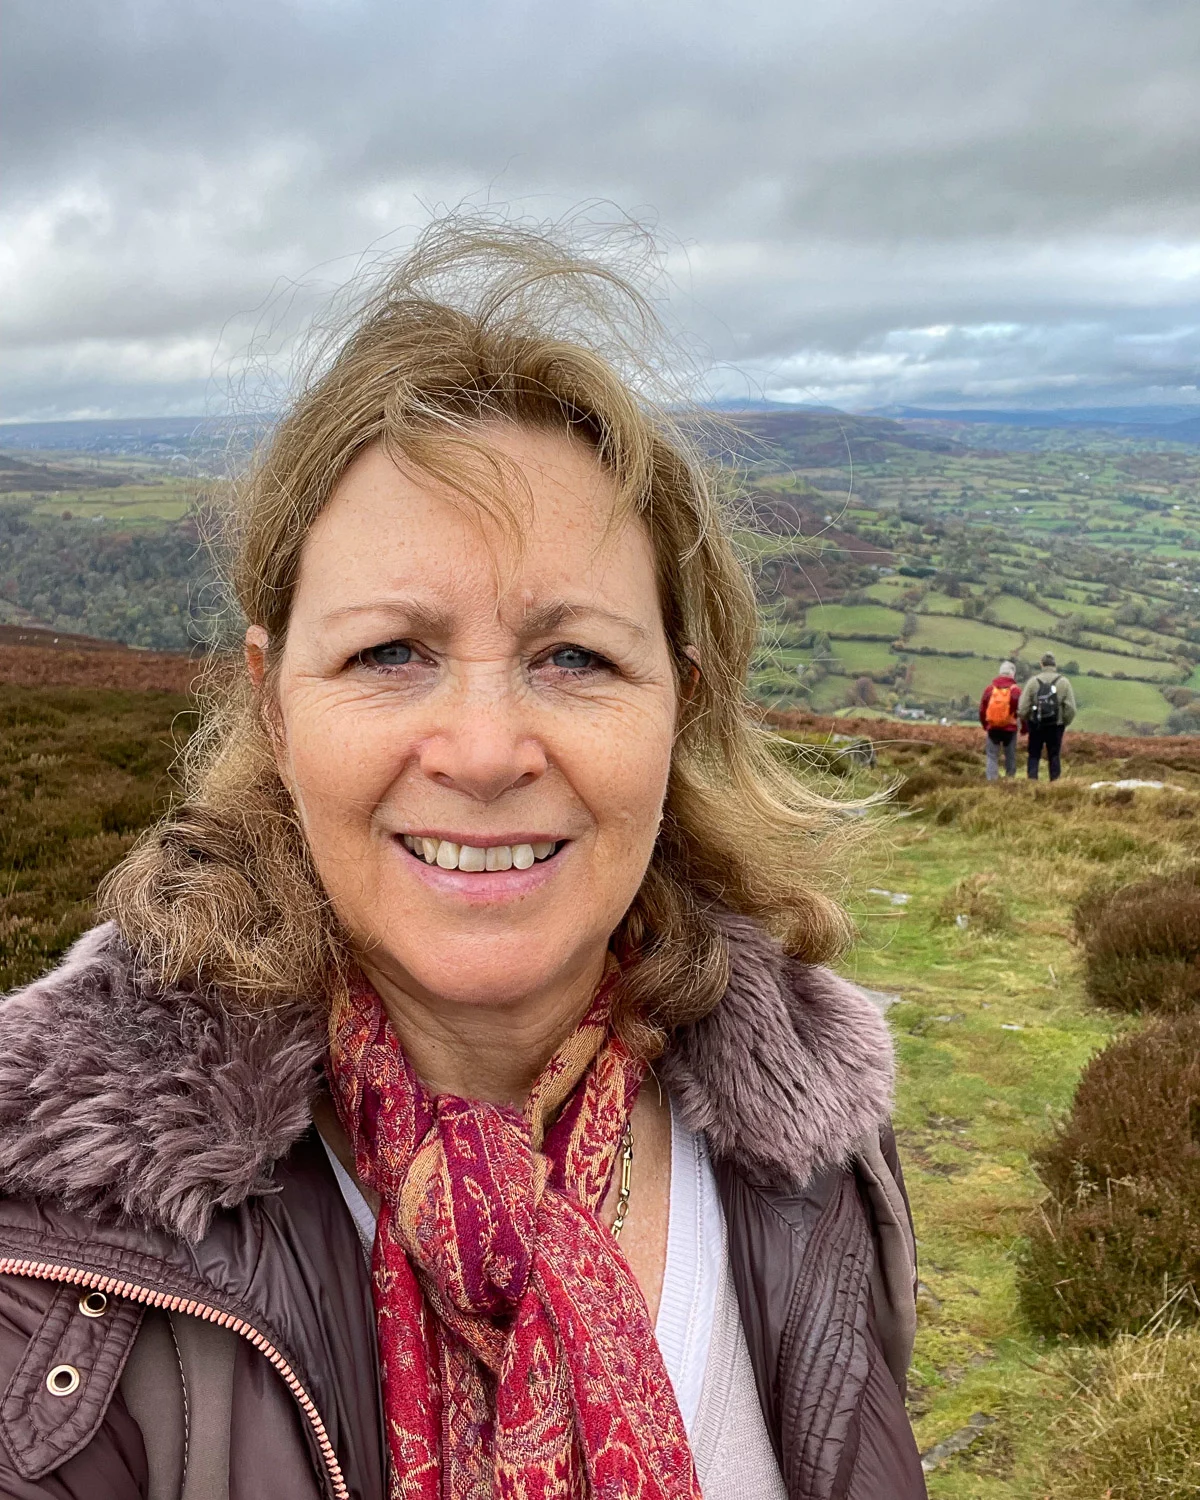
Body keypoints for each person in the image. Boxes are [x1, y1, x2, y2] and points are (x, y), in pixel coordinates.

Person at [0, 222, 925, 1499]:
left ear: (681, 704)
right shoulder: (53, 1256)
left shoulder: (812, 1144)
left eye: (575, 657)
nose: (486, 752)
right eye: (390, 653)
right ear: (274, 704)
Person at [1018, 650, 1076, 781]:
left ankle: (1032, 782)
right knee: (1054, 755)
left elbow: (1022, 708)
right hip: (1056, 725)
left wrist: (1029, 719)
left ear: (1042, 664)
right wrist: (1063, 722)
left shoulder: (1033, 682)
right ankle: (1055, 783)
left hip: (1036, 724)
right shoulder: (1064, 682)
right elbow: (1071, 708)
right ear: (1055, 665)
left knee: (1034, 754)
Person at [979, 658, 1020, 780]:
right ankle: (1010, 780)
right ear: (1012, 674)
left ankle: (992, 781)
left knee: (992, 756)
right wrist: (1024, 727)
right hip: (1010, 728)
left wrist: (985, 725)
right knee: (1010, 756)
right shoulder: (1016, 690)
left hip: (993, 727)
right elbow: (1021, 710)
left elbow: (982, 709)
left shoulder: (990, 689)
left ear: (1000, 673)